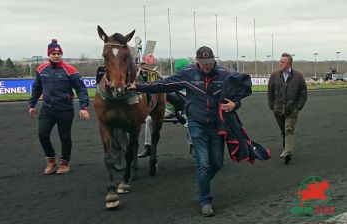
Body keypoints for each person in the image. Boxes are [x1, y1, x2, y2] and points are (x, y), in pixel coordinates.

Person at [128, 46, 241, 216]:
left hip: (217, 125)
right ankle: (205, 200)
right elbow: (163, 85)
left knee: (217, 163)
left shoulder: (223, 74)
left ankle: (202, 182)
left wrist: (235, 104)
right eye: (203, 64)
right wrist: (139, 87)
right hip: (197, 124)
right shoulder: (188, 73)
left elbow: (238, 93)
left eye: (209, 63)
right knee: (203, 163)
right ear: (197, 61)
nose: (206, 67)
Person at [29, 39, 90, 175]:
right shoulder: (41, 69)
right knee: (42, 134)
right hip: (48, 108)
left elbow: (81, 89)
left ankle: (64, 163)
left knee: (65, 136)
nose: (56, 55)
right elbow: (37, 87)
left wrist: (83, 107)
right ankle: (51, 160)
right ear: (49, 55)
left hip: (65, 109)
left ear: (61, 54)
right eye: (53, 53)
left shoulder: (70, 70)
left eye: (58, 53)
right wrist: (32, 104)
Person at [267, 53, 307, 164]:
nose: (280, 63)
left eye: (283, 62)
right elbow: (270, 91)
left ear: (289, 64)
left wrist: (298, 107)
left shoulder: (298, 76)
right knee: (283, 131)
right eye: (280, 61)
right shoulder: (274, 75)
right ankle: (286, 149)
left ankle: (287, 153)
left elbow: (303, 93)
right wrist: (271, 105)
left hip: (292, 109)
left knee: (288, 130)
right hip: (278, 109)